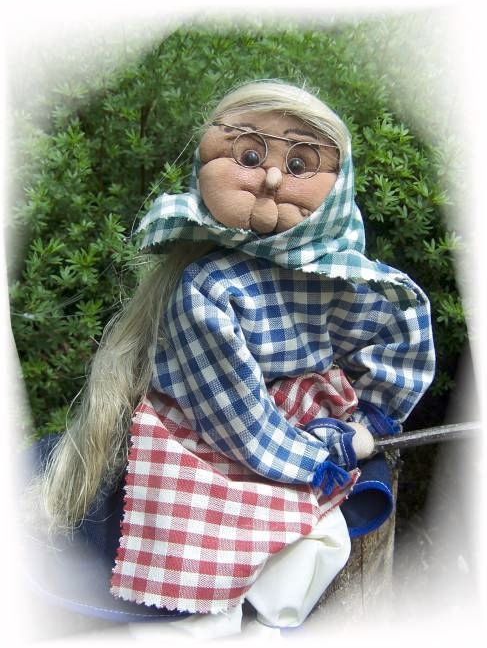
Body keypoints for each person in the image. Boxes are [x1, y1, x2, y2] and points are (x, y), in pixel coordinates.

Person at [30, 79, 435, 637]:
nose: (272, 178)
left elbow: (403, 322)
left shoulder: (338, 273)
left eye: (300, 164)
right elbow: (234, 414)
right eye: (248, 157)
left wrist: (373, 412)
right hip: (215, 437)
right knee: (206, 573)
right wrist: (314, 457)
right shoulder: (208, 287)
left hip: (308, 424)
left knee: (318, 551)